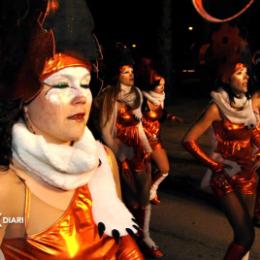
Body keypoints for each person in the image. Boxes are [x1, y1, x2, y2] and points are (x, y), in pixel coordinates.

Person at [0, 2, 144, 259]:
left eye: (85, 84)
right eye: (62, 85)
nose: (81, 97)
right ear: (24, 102)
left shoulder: (103, 161)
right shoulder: (9, 187)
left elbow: (119, 240)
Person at [183, 61, 260, 259]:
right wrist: (215, 166)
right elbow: (188, 141)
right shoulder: (216, 108)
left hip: (248, 175)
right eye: (240, 73)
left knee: (245, 233)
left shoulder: (248, 104)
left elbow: (252, 135)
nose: (246, 77)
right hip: (226, 177)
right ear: (227, 78)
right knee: (245, 237)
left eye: (247, 74)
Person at [96, 45, 163, 258]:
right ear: (117, 74)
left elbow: (139, 126)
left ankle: (146, 236)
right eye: (126, 72)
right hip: (120, 154)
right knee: (127, 198)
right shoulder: (109, 95)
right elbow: (106, 130)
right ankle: (127, 238)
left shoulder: (136, 95)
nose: (131, 75)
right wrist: (119, 156)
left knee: (143, 198)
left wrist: (146, 149)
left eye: (132, 72)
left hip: (137, 152)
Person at [141, 71, 182, 204]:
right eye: (159, 85)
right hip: (142, 141)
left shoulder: (160, 99)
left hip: (156, 139)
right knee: (144, 170)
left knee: (164, 169)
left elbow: (161, 113)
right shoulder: (141, 100)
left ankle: (151, 190)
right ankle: (146, 193)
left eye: (163, 85)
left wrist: (171, 117)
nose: (162, 87)